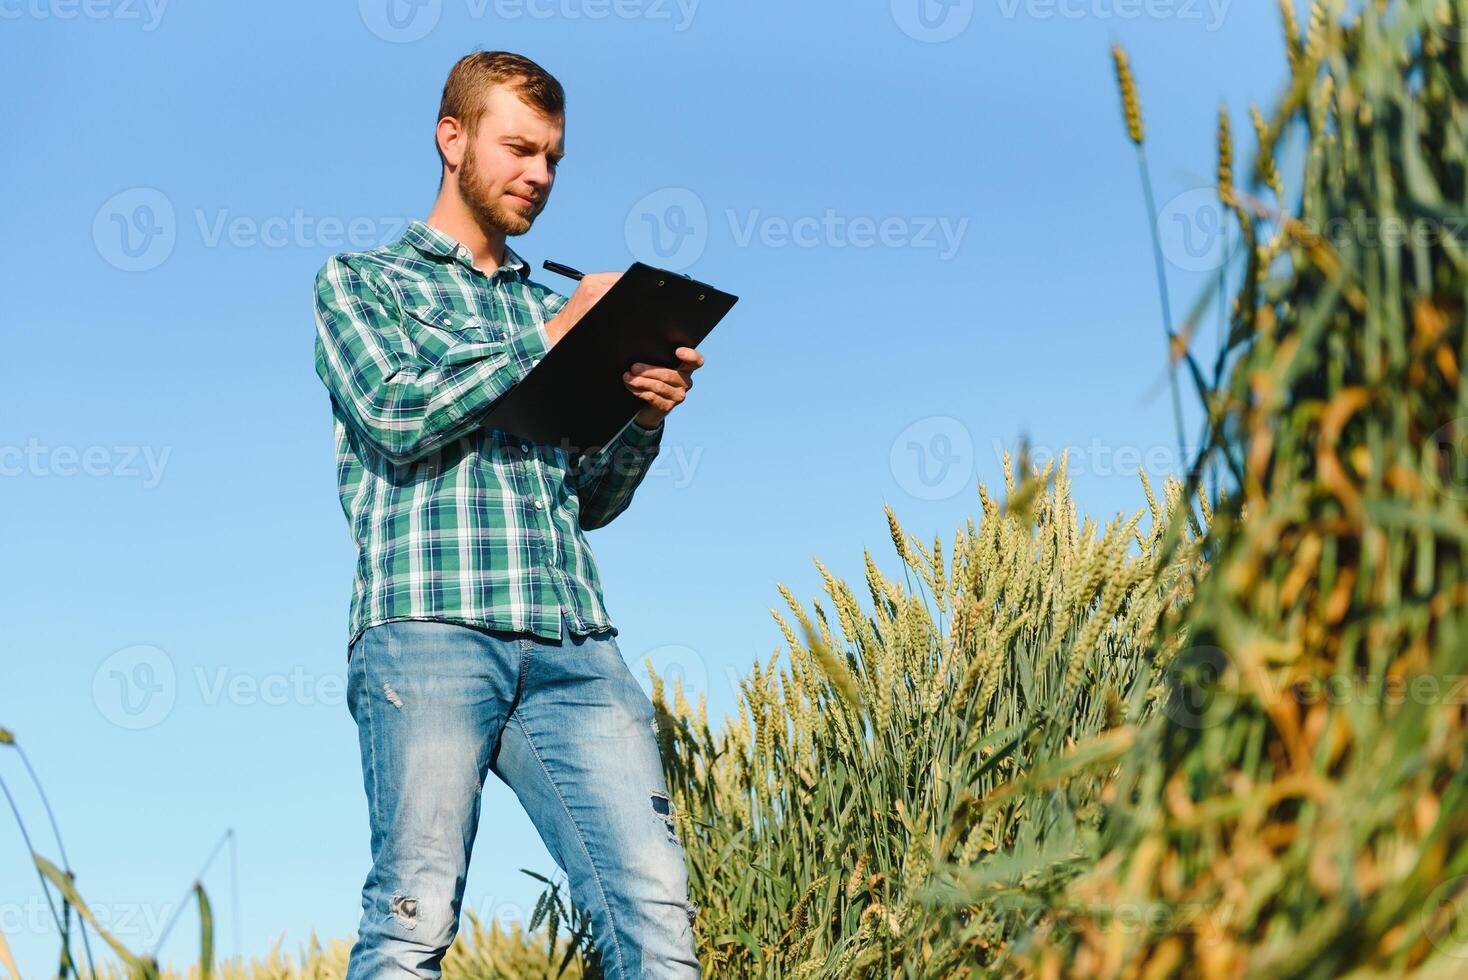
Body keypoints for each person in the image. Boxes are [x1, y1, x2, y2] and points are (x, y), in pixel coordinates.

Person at [311, 49, 704, 980]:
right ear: (453, 139)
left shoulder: (550, 303)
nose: (539, 175)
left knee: (656, 927)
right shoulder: (364, 282)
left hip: (575, 644)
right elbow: (398, 414)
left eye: (554, 158)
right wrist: (555, 332)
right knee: (414, 920)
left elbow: (591, 501)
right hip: (427, 631)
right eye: (520, 149)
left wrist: (642, 415)